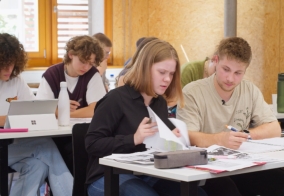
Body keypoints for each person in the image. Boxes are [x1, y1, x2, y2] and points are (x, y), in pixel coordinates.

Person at [85, 39, 207, 196]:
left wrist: (172, 139)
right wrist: (134, 139)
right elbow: (92, 143)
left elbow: (155, 145)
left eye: (171, 74)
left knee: (196, 194)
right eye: (162, 72)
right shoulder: (116, 99)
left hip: (145, 173)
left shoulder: (159, 103)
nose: (167, 79)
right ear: (144, 69)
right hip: (106, 176)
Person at [177, 37, 284, 196]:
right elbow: (188, 136)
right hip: (207, 168)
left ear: (245, 70)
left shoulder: (250, 90)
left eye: (238, 73)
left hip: (239, 164)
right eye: (226, 69)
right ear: (216, 61)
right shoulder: (192, 92)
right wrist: (220, 140)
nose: (230, 79)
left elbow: (274, 129)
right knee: (227, 190)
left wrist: (245, 135)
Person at [0, 33, 73, 196]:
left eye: (11, 64)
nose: (9, 69)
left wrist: (49, 111)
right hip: (4, 148)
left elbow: (32, 108)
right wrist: (9, 118)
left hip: (9, 148)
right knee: (44, 146)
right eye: (3, 64)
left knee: (37, 166)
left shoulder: (16, 81)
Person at [36, 35, 107, 173]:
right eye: (82, 61)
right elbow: (40, 110)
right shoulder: (52, 74)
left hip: (82, 133)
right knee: (64, 153)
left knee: (81, 151)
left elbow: (97, 110)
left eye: (90, 63)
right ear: (70, 55)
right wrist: (58, 111)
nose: (86, 67)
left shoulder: (92, 74)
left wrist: (63, 112)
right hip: (55, 135)